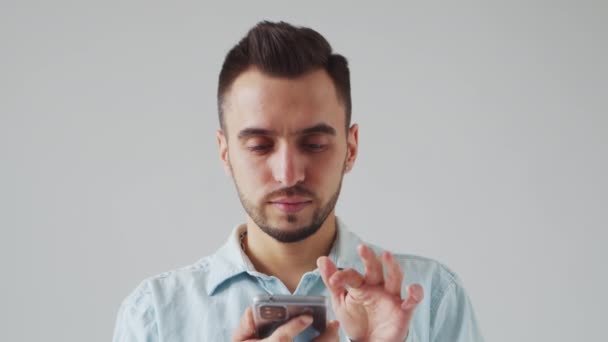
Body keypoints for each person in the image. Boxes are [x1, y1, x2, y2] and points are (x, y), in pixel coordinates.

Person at [112, 21, 484, 342]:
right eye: (260, 146)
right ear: (225, 152)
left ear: (351, 148)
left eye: (314, 144)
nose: (289, 174)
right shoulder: (154, 316)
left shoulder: (433, 298)